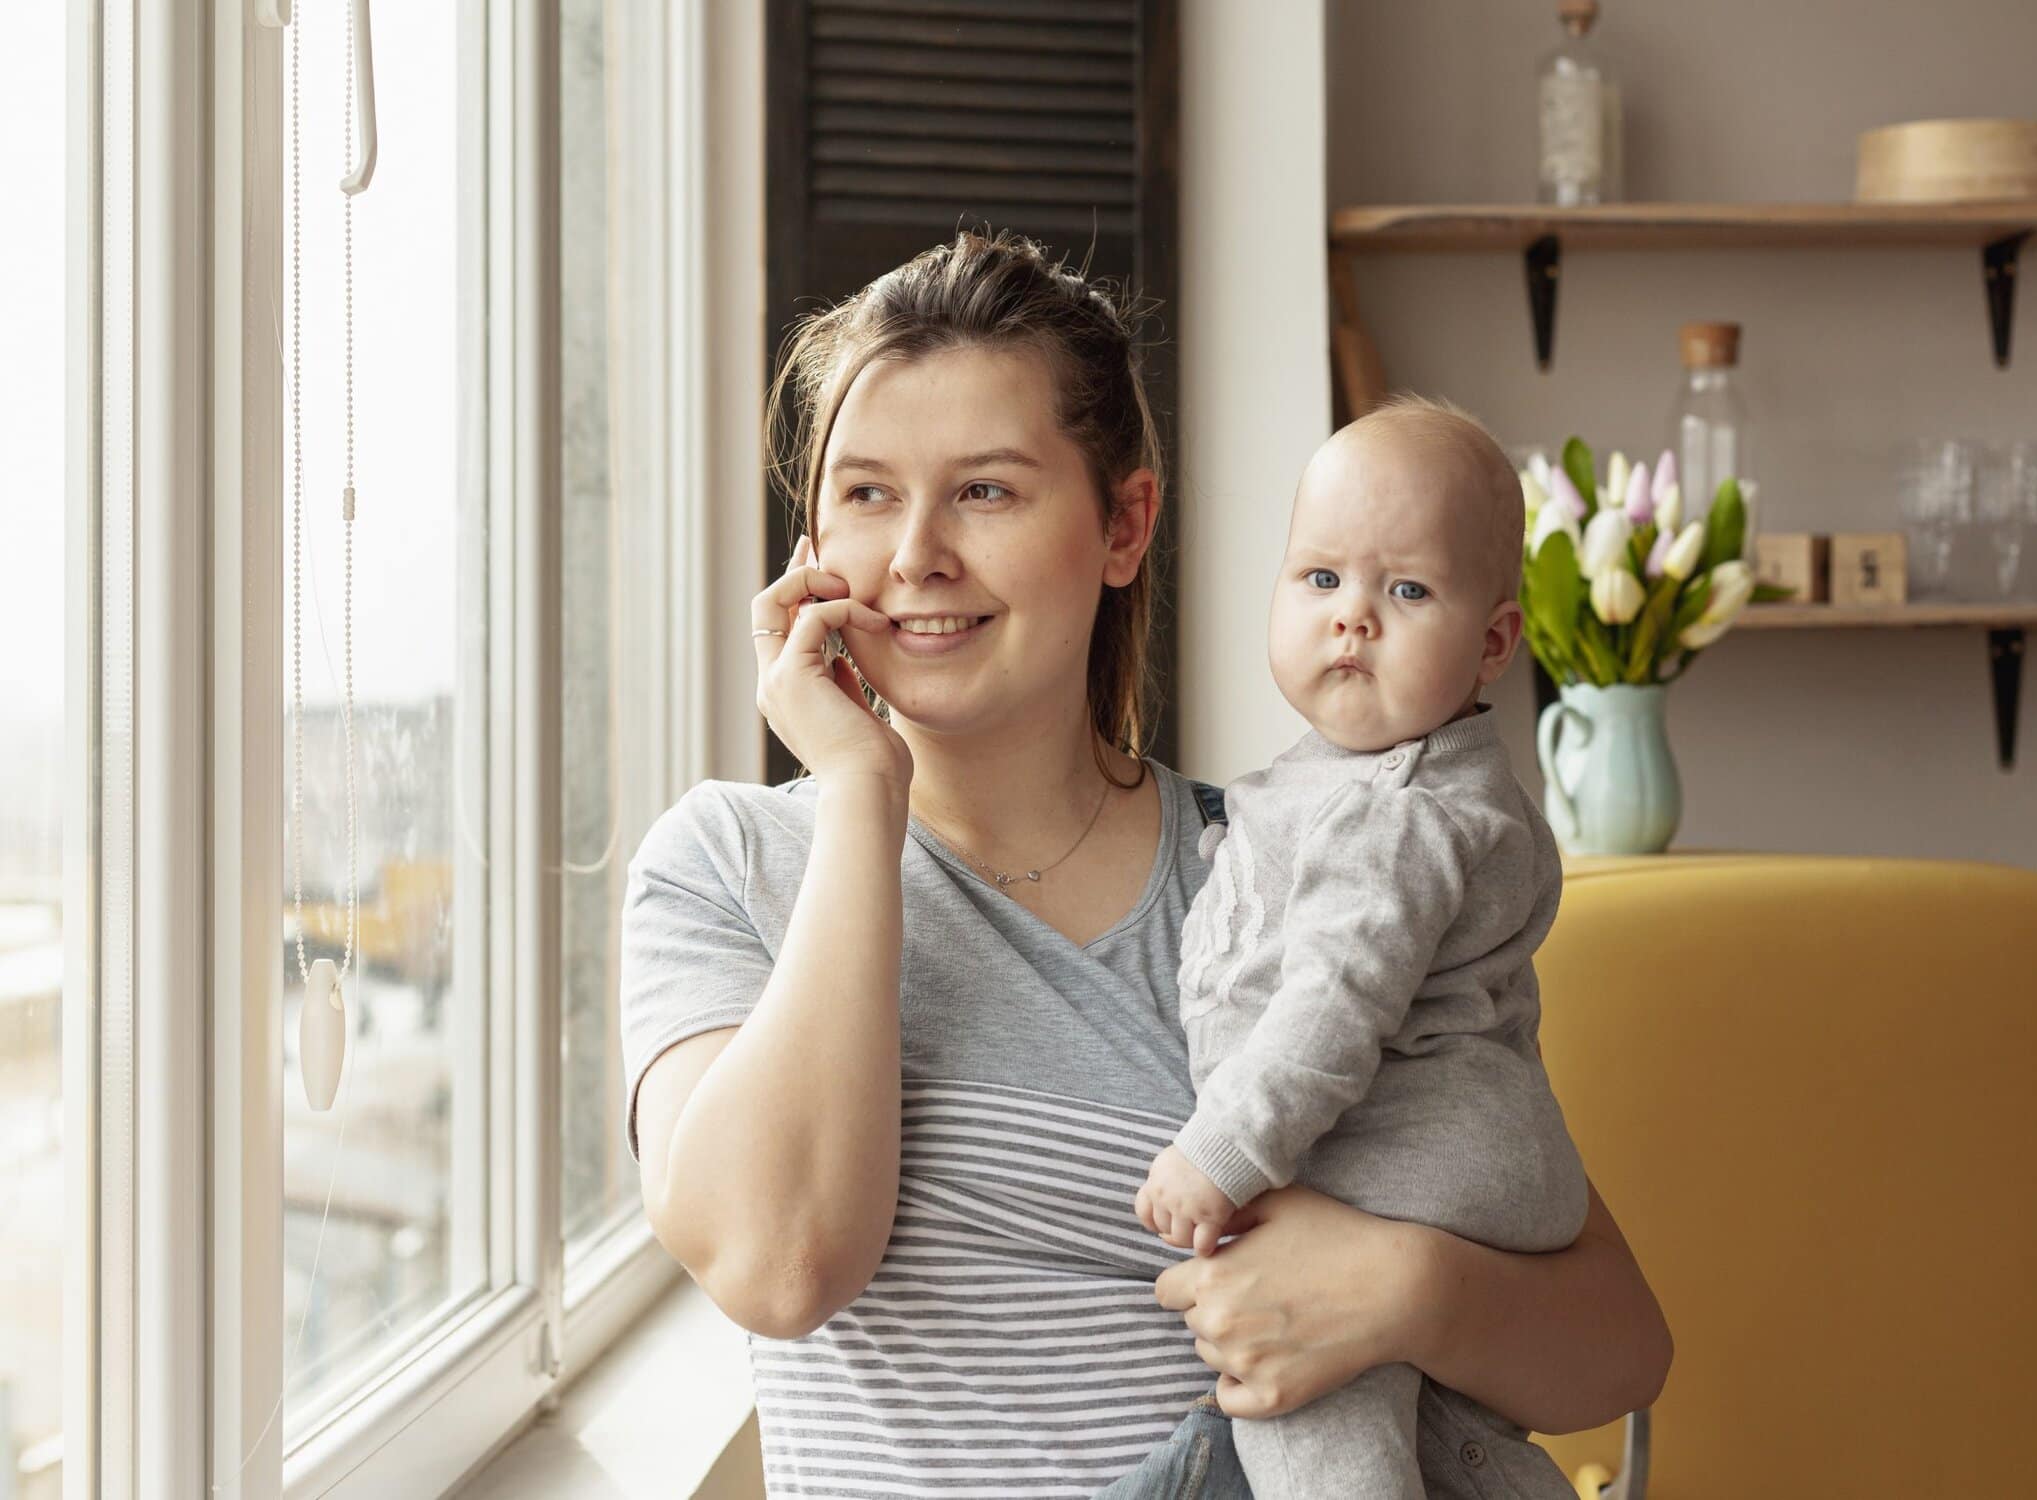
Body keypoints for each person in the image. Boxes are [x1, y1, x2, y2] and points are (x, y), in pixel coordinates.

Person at [621, 230, 1670, 1499]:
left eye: (988, 491)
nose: (916, 558)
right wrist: (858, 792)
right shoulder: (725, 867)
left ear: (1126, 524)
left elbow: (1619, 1343)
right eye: (867, 492)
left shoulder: (1296, 861)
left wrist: (1406, 1289)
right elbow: (781, 1265)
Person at [1135, 398, 1586, 1498]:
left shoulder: (1398, 812)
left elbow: (1332, 1008)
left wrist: (1222, 1152)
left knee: (1298, 1376)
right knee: (1442, 1429)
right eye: (1321, 579)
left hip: (1413, 1161)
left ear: (1491, 643)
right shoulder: (1363, 777)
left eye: (1408, 590)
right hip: (1464, 1154)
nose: (1355, 620)